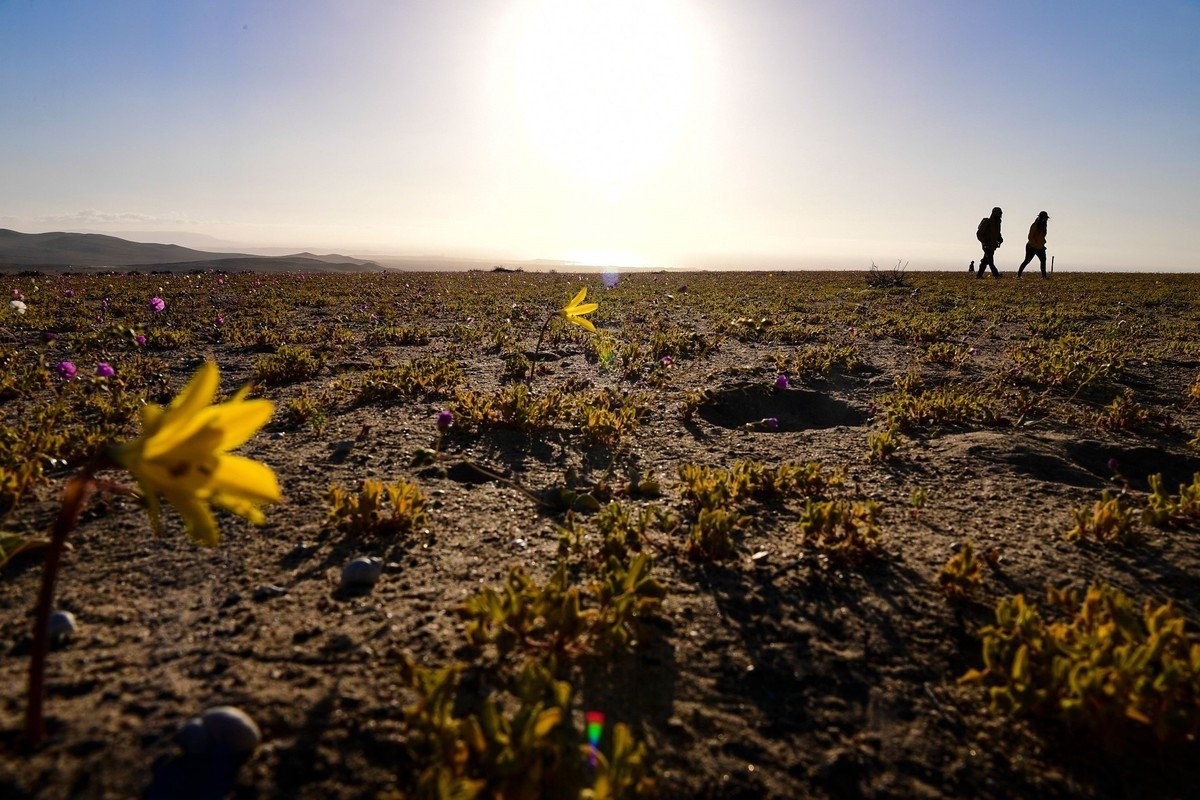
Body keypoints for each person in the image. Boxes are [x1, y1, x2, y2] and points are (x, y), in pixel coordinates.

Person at [1017, 211, 1050, 278]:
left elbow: (1041, 237)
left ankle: (1044, 276)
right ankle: (1019, 275)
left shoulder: (1044, 226)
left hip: (1040, 247)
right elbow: (1030, 237)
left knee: (1043, 260)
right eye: (1044, 218)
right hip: (1031, 246)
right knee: (1027, 261)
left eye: (1046, 218)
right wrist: (1036, 244)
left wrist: (1042, 244)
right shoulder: (1035, 225)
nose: (1045, 220)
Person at [975, 207, 1003, 278]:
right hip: (986, 245)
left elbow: (997, 233)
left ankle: (979, 275)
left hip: (992, 246)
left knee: (985, 261)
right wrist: (985, 241)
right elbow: (979, 233)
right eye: (999, 212)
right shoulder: (987, 222)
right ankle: (996, 274)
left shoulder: (997, 223)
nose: (1001, 214)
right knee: (990, 261)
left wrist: (1000, 239)